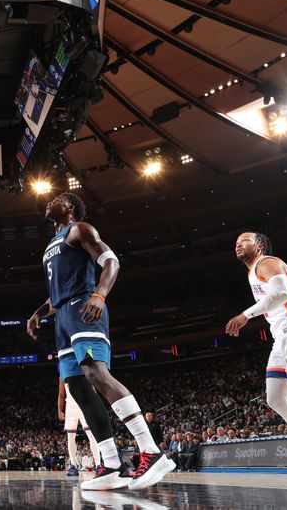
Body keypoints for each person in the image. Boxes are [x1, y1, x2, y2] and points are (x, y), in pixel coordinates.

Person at [27, 192, 174, 490]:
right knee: (78, 388)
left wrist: (99, 294)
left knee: (96, 372)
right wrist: (39, 312)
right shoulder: (51, 245)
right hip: (63, 317)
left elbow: (111, 262)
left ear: (69, 207)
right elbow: (57, 293)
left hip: (84, 307)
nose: (47, 202)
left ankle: (151, 451)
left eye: (55, 199)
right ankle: (110, 465)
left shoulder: (80, 229)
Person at [226, 231, 287, 487]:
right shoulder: (252, 272)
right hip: (279, 335)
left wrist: (245, 315)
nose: (239, 244)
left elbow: (283, 295)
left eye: (245, 240)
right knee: (275, 398)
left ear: (259, 245)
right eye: (237, 242)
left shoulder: (268, 262)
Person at [57, 378, 101, 475]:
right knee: (76, 437)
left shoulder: (65, 372)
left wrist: (60, 410)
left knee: (89, 436)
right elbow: (61, 394)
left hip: (82, 406)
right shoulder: (69, 372)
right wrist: (59, 410)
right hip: (76, 406)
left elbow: (61, 394)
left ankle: (96, 464)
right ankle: (95, 466)